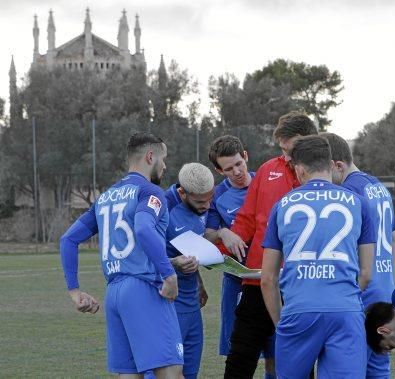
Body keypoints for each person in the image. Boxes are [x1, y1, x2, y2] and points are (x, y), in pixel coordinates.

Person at [60, 132, 183, 377]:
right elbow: (143, 228)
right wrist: (170, 276)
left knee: (129, 375)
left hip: (114, 294)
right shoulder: (150, 192)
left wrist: (75, 292)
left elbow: (68, 240)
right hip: (144, 288)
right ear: (150, 156)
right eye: (163, 158)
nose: (165, 165)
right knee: (172, 373)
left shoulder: (105, 198)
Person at [261, 135, 376, 378]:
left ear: (299, 169)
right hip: (345, 311)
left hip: (298, 310)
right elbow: (366, 273)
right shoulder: (360, 203)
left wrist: (280, 323)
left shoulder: (282, 205)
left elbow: (267, 279)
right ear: (331, 163)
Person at [223, 112, 318, 379]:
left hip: (300, 284)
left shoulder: (322, 177)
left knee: (299, 362)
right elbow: (248, 218)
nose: (287, 157)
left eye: (292, 150)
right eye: (283, 150)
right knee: (239, 359)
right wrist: (222, 248)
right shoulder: (267, 170)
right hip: (257, 279)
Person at [321, 132, 395, 379]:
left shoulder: (347, 195)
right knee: (378, 366)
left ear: (337, 165)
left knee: (351, 366)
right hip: (383, 290)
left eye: (324, 173)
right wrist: (384, 276)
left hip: (359, 292)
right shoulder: (378, 187)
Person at [204, 135, 277, 371]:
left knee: (276, 356)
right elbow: (207, 235)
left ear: (245, 155)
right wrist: (223, 233)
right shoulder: (216, 196)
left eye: (239, 163)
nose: (236, 171)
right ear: (218, 170)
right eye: (228, 168)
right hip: (238, 283)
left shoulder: (267, 182)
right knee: (241, 356)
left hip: (274, 280)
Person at [163, 162, 214, 379]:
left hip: (192, 302)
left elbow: (191, 248)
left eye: (209, 199)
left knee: (190, 372)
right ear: (182, 193)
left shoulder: (202, 205)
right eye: (201, 202)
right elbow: (142, 256)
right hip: (168, 305)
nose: (207, 206)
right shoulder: (161, 207)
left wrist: (199, 282)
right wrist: (174, 262)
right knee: (165, 373)